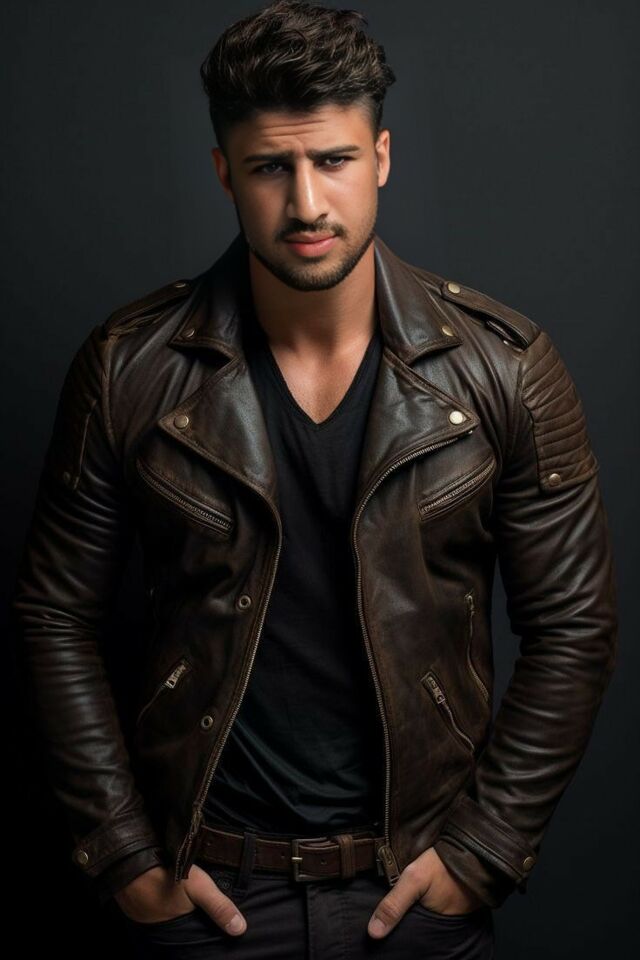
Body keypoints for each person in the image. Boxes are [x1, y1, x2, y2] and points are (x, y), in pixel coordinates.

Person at [11, 1, 618, 957]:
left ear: (381, 157)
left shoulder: (504, 369)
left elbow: (575, 625)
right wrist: (123, 854)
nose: (305, 204)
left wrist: (484, 850)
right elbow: (53, 615)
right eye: (269, 168)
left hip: (414, 896)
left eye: (333, 160)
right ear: (225, 173)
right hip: (205, 895)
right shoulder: (130, 367)